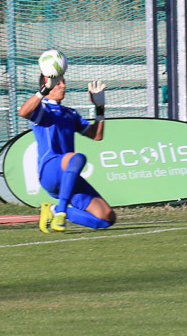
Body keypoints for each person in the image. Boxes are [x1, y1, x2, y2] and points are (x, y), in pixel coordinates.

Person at [18, 71, 116, 233]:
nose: (63, 86)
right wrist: (43, 92)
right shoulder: (42, 108)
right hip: (50, 171)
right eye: (57, 83)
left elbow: (96, 136)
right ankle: (61, 214)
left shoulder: (70, 113)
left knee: (107, 218)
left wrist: (100, 109)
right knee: (77, 158)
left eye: (63, 82)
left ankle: (53, 210)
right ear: (46, 86)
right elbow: (23, 112)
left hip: (68, 175)